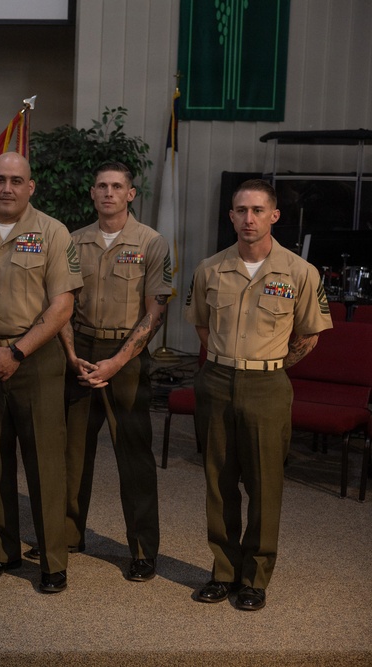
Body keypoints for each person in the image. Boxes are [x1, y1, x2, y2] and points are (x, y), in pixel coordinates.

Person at [185, 178, 331, 611]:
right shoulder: (209, 269)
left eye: (257, 211)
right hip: (216, 380)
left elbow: (308, 334)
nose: (248, 219)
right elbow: (201, 324)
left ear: (274, 216)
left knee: (266, 484)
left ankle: (254, 578)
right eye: (240, 211)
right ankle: (223, 570)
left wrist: (267, 366)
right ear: (230, 216)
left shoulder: (301, 273)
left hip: (267, 385)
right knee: (219, 480)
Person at [0, 151, 82, 593]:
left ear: (31, 187)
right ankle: (2, 550)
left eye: (17, 180)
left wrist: (18, 352)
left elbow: (62, 305)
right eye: (0, 180)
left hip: (35, 359)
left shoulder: (52, 232)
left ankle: (52, 560)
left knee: (44, 461)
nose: (7, 188)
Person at [58, 162, 172, 582]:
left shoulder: (152, 243)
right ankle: (67, 535)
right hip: (80, 351)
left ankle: (142, 550)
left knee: (134, 456)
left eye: (117, 186)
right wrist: (72, 354)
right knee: (71, 453)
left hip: (126, 354)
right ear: (92, 193)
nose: (108, 192)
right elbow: (63, 304)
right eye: (101, 186)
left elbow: (157, 311)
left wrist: (118, 361)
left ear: (130, 194)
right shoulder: (72, 241)